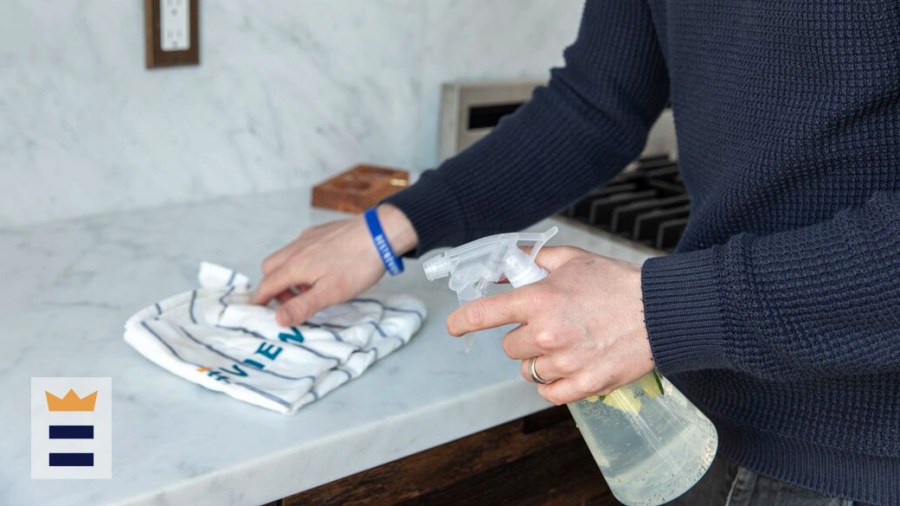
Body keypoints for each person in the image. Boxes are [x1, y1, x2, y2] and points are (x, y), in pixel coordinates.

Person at [253, 2, 899, 505]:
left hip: (870, 461)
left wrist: (659, 311)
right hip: (705, 421)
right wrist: (389, 228)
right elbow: (595, 103)